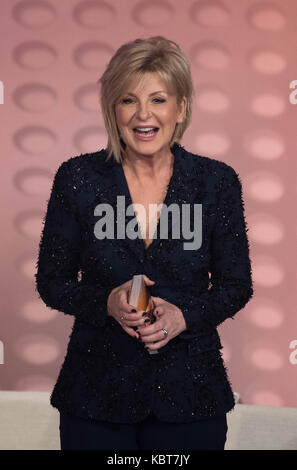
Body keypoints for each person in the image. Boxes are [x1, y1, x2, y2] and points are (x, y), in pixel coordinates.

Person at [35, 36, 254, 450]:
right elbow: (52, 281)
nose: (143, 115)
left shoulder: (216, 182)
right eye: (128, 100)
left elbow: (236, 285)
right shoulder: (78, 178)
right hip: (95, 398)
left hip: (191, 397)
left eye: (157, 99)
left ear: (181, 108)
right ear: (112, 109)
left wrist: (185, 315)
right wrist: (106, 302)